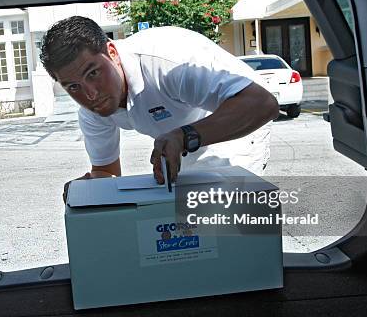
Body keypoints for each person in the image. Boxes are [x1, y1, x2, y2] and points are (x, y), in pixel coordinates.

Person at [39, 16, 278, 192]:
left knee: (225, 224)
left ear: (111, 52)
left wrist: (184, 137)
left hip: (236, 124)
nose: (90, 95)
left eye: (93, 73)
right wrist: (88, 190)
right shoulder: (91, 111)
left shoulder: (167, 62)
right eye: (73, 87)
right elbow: (107, 172)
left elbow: (262, 104)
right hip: (184, 141)